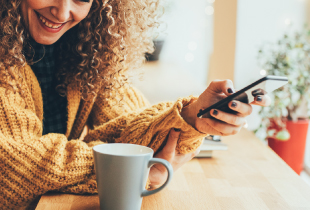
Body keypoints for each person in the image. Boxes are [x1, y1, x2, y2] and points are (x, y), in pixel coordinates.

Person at [0, 0, 270, 209]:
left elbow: (132, 127)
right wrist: (131, 171)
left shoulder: (85, 45)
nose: (61, 12)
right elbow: (11, 169)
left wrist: (193, 117)